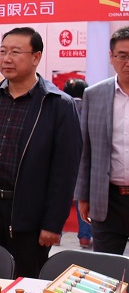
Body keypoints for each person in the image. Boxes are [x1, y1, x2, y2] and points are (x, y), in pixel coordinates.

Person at [0, 26, 81, 279]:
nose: (7, 59)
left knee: (24, 286)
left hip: (28, 216)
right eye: (2, 52)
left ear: (36, 57)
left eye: (15, 52)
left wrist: (52, 223)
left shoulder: (58, 105)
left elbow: (65, 171)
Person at [77, 26, 129, 255]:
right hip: (107, 199)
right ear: (111, 57)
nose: (128, 62)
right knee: (106, 269)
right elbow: (85, 150)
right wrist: (83, 195)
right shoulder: (94, 95)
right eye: (122, 56)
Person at [63, 77, 92, 248]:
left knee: (60, 198)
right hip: (84, 160)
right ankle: (85, 237)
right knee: (83, 198)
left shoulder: (61, 106)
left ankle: (56, 234)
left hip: (63, 159)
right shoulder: (91, 107)